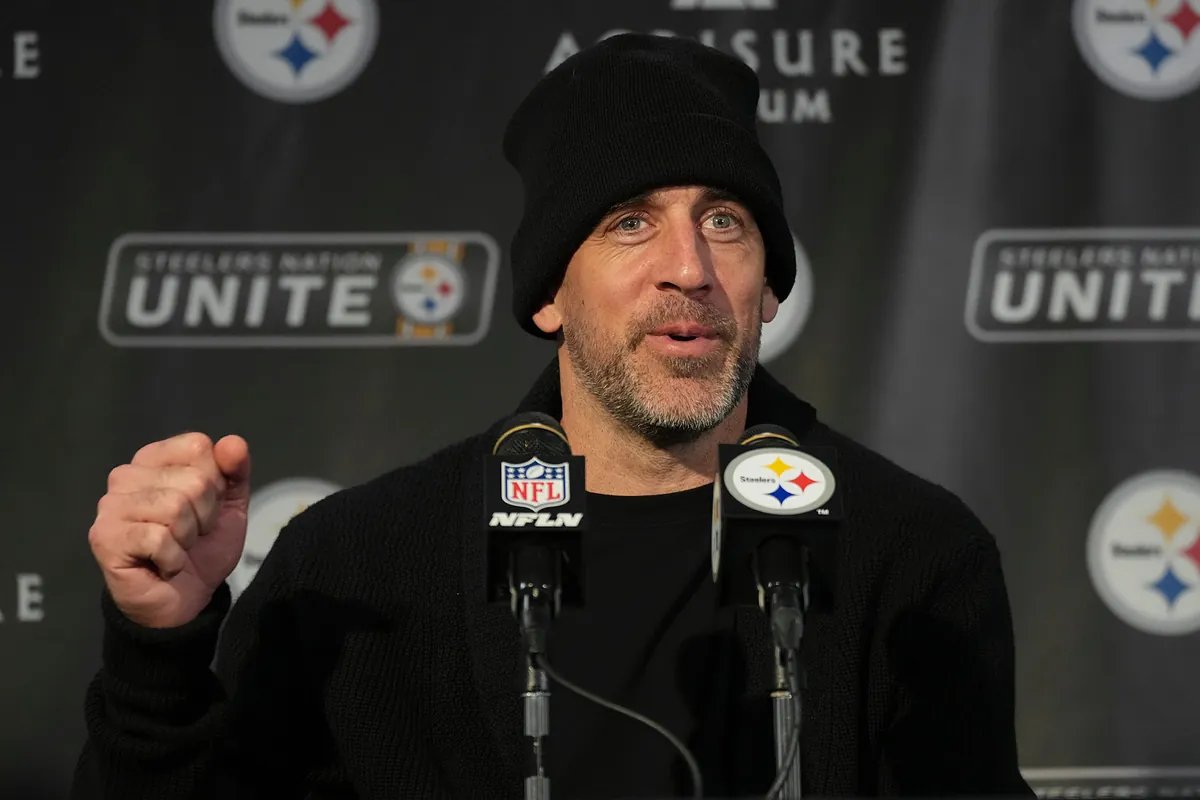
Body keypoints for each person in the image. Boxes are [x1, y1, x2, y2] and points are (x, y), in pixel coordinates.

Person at [73, 33, 1033, 799]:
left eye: (725, 221)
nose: (690, 268)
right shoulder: (357, 563)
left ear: (770, 288)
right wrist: (158, 650)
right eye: (630, 222)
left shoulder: (911, 555)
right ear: (547, 297)